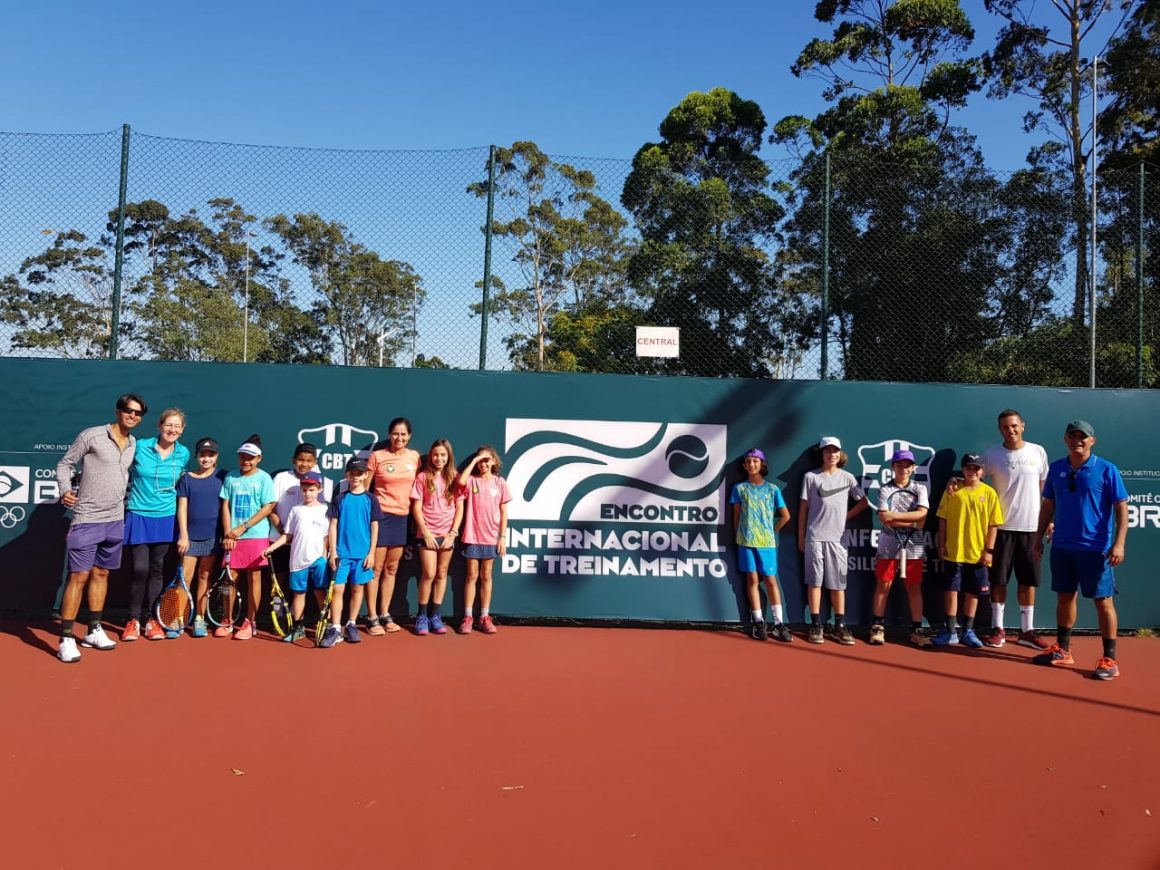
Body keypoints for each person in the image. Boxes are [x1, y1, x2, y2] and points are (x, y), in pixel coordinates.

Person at [1032, 420, 1129, 680]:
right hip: (1063, 546)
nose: (1078, 440)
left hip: (1096, 549)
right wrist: (1038, 538)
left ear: (1092, 441)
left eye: (1083, 437)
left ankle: (1110, 659)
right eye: (1072, 436)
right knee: (1065, 597)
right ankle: (1063, 651)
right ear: (1065, 439)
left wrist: (1118, 544)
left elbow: (1121, 509)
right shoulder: (1056, 469)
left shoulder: (1107, 470)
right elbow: (1048, 507)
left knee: (1103, 602)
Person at [54, 393, 145, 663]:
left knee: (102, 573)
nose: (133, 416)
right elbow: (65, 464)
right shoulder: (91, 436)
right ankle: (67, 639)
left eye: (138, 413)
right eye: (129, 410)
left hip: (115, 519)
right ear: (118, 411)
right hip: (86, 518)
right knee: (78, 577)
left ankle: (94, 629)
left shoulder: (132, 443)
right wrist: (65, 489)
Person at [981, 410, 1052, 650]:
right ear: (999, 429)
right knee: (999, 580)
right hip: (1001, 528)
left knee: (1028, 580)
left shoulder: (1038, 452)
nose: (1009, 430)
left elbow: (1046, 492)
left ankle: (1026, 631)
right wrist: (954, 481)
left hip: (1032, 528)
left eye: (1013, 426)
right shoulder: (992, 454)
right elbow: (974, 478)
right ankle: (997, 629)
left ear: (1023, 426)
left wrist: (1048, 520)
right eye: (1004, 427)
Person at [122, 408, 189, 642]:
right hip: (139, 514)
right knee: (140, 569)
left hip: (166, 517)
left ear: (182, 431)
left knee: (157, 568)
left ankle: (152, 620)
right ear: (160, 426)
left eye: (177, 426)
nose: (172, 429)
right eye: (168, 425)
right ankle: (133, 620)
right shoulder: (140, 446)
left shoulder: (183, 453)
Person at [798, 436, 869, 645]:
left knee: (838, 585)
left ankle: (840, 624)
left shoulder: (847, 478)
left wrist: (845, 516)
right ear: (822, 454)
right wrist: (802, 536)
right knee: (814, 582)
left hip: (838, 540)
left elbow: (863, 502)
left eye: (835, 451)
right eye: (828, 451)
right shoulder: (810, 477)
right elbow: (803, 508)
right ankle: (816, 623)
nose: (832, 455)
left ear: (840, 454)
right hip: (814, 538)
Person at [933, 453, 1003, 648]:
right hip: (953, 551)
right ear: (962, 470)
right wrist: (941, 544)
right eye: (968, 468)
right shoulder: (952, 490)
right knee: (951, 590)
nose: (972, 472)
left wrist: (988, 550)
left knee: (973, 592)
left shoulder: (989, 493)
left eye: (976, 468)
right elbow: (943, 520)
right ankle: (950, 630)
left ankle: (968, 631)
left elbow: (993, 525)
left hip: (978, 553)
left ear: (982, 471)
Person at [869, 449, 931, 648]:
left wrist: (896, 517)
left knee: (914, 587)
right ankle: (877, 628)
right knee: (883, 585)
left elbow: (922, 514)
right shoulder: (885, 489)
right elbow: (884, 518)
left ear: (913, 468)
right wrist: (912, 523)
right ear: (892, 467)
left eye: (907, 465)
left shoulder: (920, 488)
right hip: (889, 544)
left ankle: (916, 631)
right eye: (899, 465)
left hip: (915, 545)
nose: (903, 468)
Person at [729, 448, 792, 642]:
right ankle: (758, 622)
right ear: (744, 466)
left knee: (771, 581)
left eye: (755, 461)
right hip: (745, 542)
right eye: (748, 461)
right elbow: (736, 516)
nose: (752, 464)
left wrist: (771, 531)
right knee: (752, 580)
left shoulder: (772, 489)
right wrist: (739, 536)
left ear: (762, 464)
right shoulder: (739, 489)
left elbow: (785, 516)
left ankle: (779, 623)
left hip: (767, 544)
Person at [320, 457, 383, 648]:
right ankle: (335, 628)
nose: (355, 477)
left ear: (365, 475)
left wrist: (371, 553)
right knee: (338, 589)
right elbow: (333, 526)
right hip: (342, 554)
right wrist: (332, 551)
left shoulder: (371, 499)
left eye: (359, 474)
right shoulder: (340, 499)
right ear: (346, 475)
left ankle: (352, 624)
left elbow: (374, 527)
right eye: (351, 473)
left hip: (362, 555)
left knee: (357, 588)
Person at [366, 418, 420, 635]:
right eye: (396, 434)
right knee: (375, 568)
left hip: (402, 518)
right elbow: (366, 486)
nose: (400, 438)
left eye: (404, 434)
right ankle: (371, 617)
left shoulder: (414, 457)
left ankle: (384, 613)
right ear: (389, 435)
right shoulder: (377, 456)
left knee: (391, 568)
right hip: (380, 517)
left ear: (409, 436)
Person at [219, 435, 276, 640]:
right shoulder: (231, 477)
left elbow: (268, 507)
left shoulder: (264, 478)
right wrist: (229, 532)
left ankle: (250, 621)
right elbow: (224, 505)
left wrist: (243, 527)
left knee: (254, 578)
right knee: (229, 579)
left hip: (256, 535)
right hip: (233, 537)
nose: (246, 461)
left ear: (259, 458)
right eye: (243, 457)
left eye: (250, 457)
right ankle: (227, 619)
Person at [263, 471, 330, 644]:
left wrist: (325, 556)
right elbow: (288, 535)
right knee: (298, 595)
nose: (308, 493)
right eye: (305, 489)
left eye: (312, 490)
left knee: (320, 593)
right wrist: (272, 547)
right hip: (297, 561)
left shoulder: (325, 511)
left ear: (319, 490)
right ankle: (298, 627)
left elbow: (326, 537)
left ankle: (326, 626)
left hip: (318, 561)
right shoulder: (296, 510)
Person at [410, 439, 464, 636]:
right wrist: (424, 532)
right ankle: (422, 615)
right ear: (430, 456)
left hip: (447, 536)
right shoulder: (423, 477)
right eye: (435, 455)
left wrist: (453, 533)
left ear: (448, 456)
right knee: (429, 574)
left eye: (443, 455)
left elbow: (460, 508)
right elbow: (416, 507)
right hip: (427, 535)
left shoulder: (455, 478)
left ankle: (436, 615)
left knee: (442, 574)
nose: (439, 458)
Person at [176, 437, 227, 638]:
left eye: (210, 455)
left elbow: (225, 508)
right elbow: (182, 508)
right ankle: (177, 618)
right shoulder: (186, 479)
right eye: (203, 454)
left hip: (212, 538)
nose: (206, 458)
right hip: (190, 538)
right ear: (197, 456)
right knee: (185, 578)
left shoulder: (222, 477)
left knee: (204, 576)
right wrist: (184, 535)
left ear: (216, 457)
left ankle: (199, 617)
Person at [457, 446, 511, 635]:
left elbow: (504, 513)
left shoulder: (500, 483)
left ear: (494, 462)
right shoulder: (471, 480)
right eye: (481, 460)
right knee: (471, 576)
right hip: (472, 536)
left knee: (486, 576)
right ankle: (468, 617)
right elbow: (461, 481)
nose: (484, 463)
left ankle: (484, 617)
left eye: (487, 460)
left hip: (490, 538)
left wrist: (502, 537)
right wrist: (474, 460)